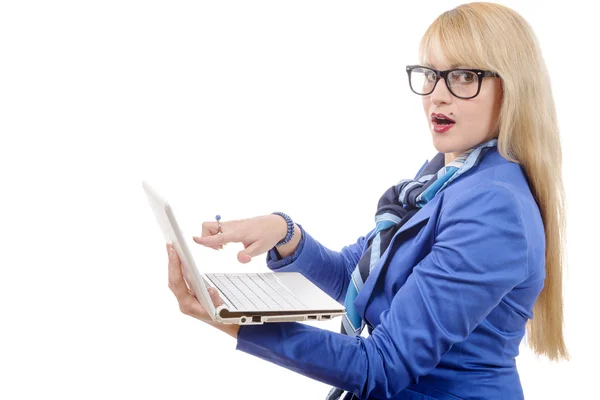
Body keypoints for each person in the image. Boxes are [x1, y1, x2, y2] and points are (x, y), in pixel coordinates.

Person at [165, 2, 568, 399]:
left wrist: (234, 322)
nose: (437, 96)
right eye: (431, 74)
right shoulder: (443, 178)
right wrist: (284, 233)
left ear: (512, 88)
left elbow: (381, 364)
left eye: (463, 76)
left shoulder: (493, 208)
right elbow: (358, 283)